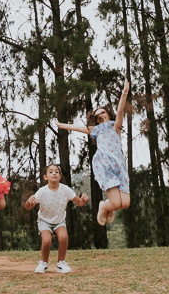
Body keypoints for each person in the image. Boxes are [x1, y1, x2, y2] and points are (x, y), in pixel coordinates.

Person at [55, 79, 131, 226]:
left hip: (119, 165)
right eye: (97, 115)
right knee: (115, 203)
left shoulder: (115, 127)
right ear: (95, 120)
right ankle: (104, 206)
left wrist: (124, 92)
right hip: (105, 164)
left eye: (103, 112)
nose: (101, 115)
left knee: (125, 203)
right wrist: (60, 125)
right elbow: (76, 127)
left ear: (108, 114)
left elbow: (120, 110)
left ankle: (107, 205)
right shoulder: (95, 130)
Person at [24, 163, 89, 274]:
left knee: (63, 238)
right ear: (45, 177)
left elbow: (79, 202)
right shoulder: (42, 191)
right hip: (44, 221)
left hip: (59, 221)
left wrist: (83, 200)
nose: (54, 173)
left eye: (56, 172)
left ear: (59, 176)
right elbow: (28, 207)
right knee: (47, 240)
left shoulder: (66, 190)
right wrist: (29, 201)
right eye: (50, 172)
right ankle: (43, 263)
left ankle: (61, 263)